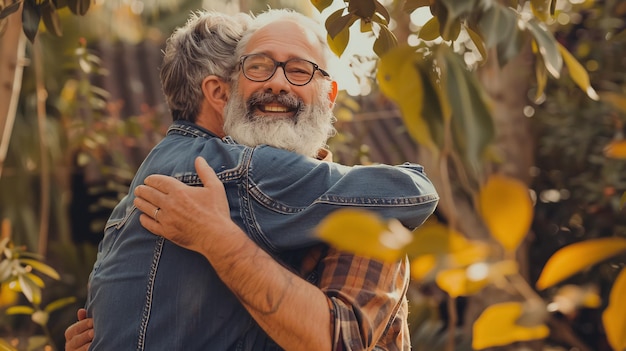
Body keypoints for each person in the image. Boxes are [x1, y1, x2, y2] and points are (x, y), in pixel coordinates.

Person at [66, 8, 438, 351]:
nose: (276, 84)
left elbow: (338, 342)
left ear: (330, 96)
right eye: (256, 67)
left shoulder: (362, 215)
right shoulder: (218, 179)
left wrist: (216, 238)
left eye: (298, 70)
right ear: (226, 93)